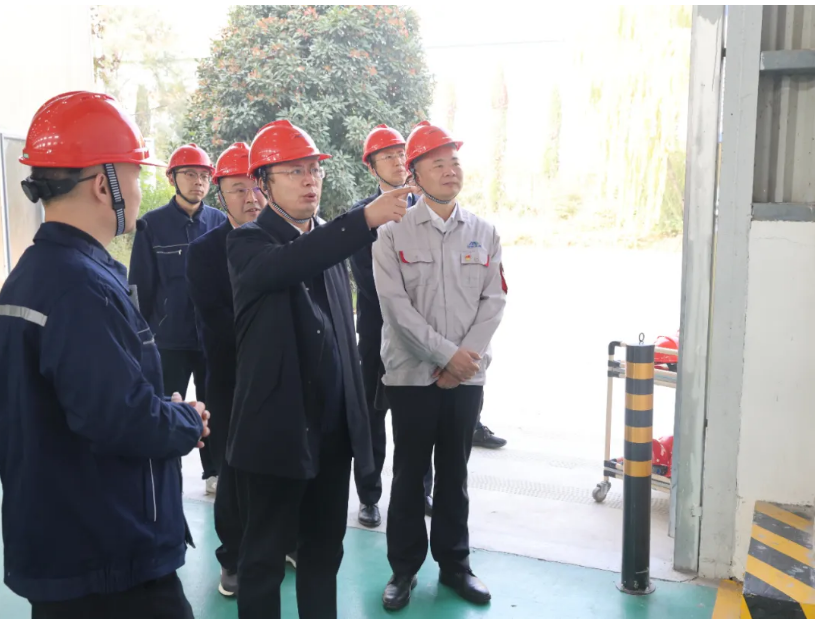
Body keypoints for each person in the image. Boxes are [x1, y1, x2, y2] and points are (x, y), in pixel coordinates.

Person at [0, 90, 210, 618]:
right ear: (103, 185)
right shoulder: (80, 289)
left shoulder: (33, 276)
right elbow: (119, 419)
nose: (139, 190)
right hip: (110, 558)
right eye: (134, 174)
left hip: (63, 541)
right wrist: (186, 420)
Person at [224, 119, 411, 619]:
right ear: (264, 184)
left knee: (324, 552)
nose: (310, 180)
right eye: (294, 171)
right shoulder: (248, 243)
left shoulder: (329, 240)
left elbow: (345, 340)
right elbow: (289, 264)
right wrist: (364, 218)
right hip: (275, 431)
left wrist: (356, 426)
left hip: (330, 433)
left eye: (314, 170)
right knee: (263, 558)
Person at [373, 121, 507, 610]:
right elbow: (396, 309)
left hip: (465, 378)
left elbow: (494, 301)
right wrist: (446, 356)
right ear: (413, 175)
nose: (450, 171)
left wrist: (464, 360)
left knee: (455, 473)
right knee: (409, 474)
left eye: (455, 163)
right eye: (438, 164)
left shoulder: (484, 232)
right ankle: (403, 569)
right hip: (411, 377)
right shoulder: (390, 235)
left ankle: (455, 566)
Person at [186, 142, 298, 599]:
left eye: (255, 188)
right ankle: (232, 557)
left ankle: (287, 541)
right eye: (238, 190)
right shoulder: (204, 251)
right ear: (221, 195)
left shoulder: (287, 240)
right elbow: (216, 322)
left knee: (287, 461)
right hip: (232, 379)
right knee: (233, 471)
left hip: (285, 378)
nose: (251, 198)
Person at [129, 142, 226, 494]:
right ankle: (163, 471)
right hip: (168, 338)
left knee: (214, 405)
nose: (198, 182)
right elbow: (141, 286)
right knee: (166, 405)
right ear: (172, 178)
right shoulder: (151, 225)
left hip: (211, 336)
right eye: (190, 174)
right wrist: (141, 339)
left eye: (204, 176)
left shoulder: (219, 222)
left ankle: (214, 471)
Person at [349, 124, 427, 528]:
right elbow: (368, 279)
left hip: (425, 335)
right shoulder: (364, 215)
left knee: (419, 417)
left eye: (401, 154)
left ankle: (419, 491)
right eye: (387, 156)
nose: (397, 162)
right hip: (377, 332)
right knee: (372, 416)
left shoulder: (429, 208)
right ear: (372, 167)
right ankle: (369, 495)